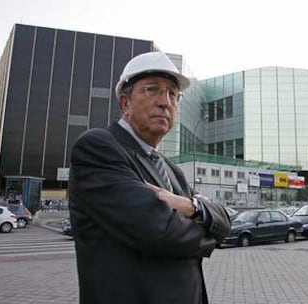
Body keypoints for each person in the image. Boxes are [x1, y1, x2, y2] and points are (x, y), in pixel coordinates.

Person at [69, 51, 231, 304]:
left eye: (172, 94)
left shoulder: (171, 168)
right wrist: (210, 232)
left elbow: (225, 219)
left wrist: (190, 206)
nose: (165, 102)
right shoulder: (98, 147)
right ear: (125, 103)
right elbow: (160, 232)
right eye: (152, 90)